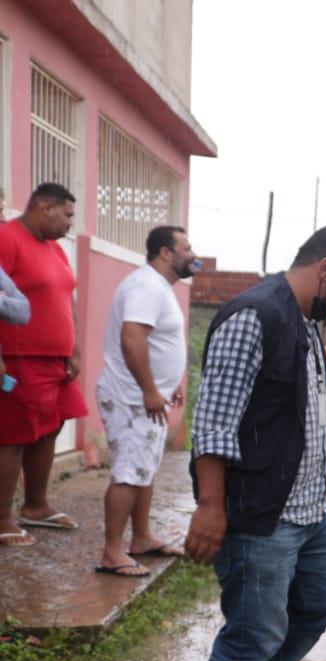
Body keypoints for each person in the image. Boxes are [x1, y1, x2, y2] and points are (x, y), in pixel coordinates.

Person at [185, 222, 326, 661]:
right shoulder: (255, 315)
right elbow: (214, 423)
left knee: (321, 602)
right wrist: (211, 505)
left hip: (309, 509)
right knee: (252, 634)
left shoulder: (305, 320)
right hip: (261, 513)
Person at [93, 226, 197, 576]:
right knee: (128, 472)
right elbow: (133, 338)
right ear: (166, 252)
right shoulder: (146, 286)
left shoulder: (160, 287)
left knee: (144, 469)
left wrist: (169, 384)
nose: (193, 255)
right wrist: (151, 390)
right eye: (186, 248)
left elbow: (156, 343)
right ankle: (111, 553)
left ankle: (141, 537)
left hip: (146, 396)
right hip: (132, 397)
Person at [0, 183, 87, 547]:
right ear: (45, 207)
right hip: (20, 358)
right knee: (13, 435)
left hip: (56, 362)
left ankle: (36, 505)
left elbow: (68, 300)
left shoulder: (56, 249)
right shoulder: (7, 239)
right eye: (67, 215)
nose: (70, 223)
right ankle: (2, 518)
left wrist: (75, 349)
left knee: (51, 427)